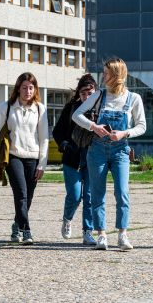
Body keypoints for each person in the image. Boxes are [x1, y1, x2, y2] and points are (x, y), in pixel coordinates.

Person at [72, 57, 146, 251]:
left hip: (121, 149)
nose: (102, 77)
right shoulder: (99, 95)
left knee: (122, 192)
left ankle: (122, 234)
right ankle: (101, 235)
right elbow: (76, 115)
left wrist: (124, 133)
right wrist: (94, 127)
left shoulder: (133, 98)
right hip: (97, 149)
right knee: (97, 193)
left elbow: (142, 126)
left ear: (116, 75)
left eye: (105, 73)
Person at [0, 72, 49, 245]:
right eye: (24, 87)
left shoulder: (40, 108)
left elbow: (44, 138)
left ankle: (17, 224)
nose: (28, 91)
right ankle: (26, 230)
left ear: (35, 90)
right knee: (20, 193)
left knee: (28, 197)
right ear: (18, 88)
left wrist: (42, 164)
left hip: (34, 158)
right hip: (13, 156)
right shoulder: (6, 107)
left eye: (31, 88)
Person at [52, 74, 97, 245]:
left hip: (92, 158)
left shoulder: (100, 109)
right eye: (84, 92)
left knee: (90, 196)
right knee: (75, 195)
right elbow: (58, 131)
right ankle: (67, 218)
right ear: (79, 93)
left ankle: (88, 231)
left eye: (90, 92)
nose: (87, 96)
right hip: (72, 159)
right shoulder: (71, 108)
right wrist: (64, 144)